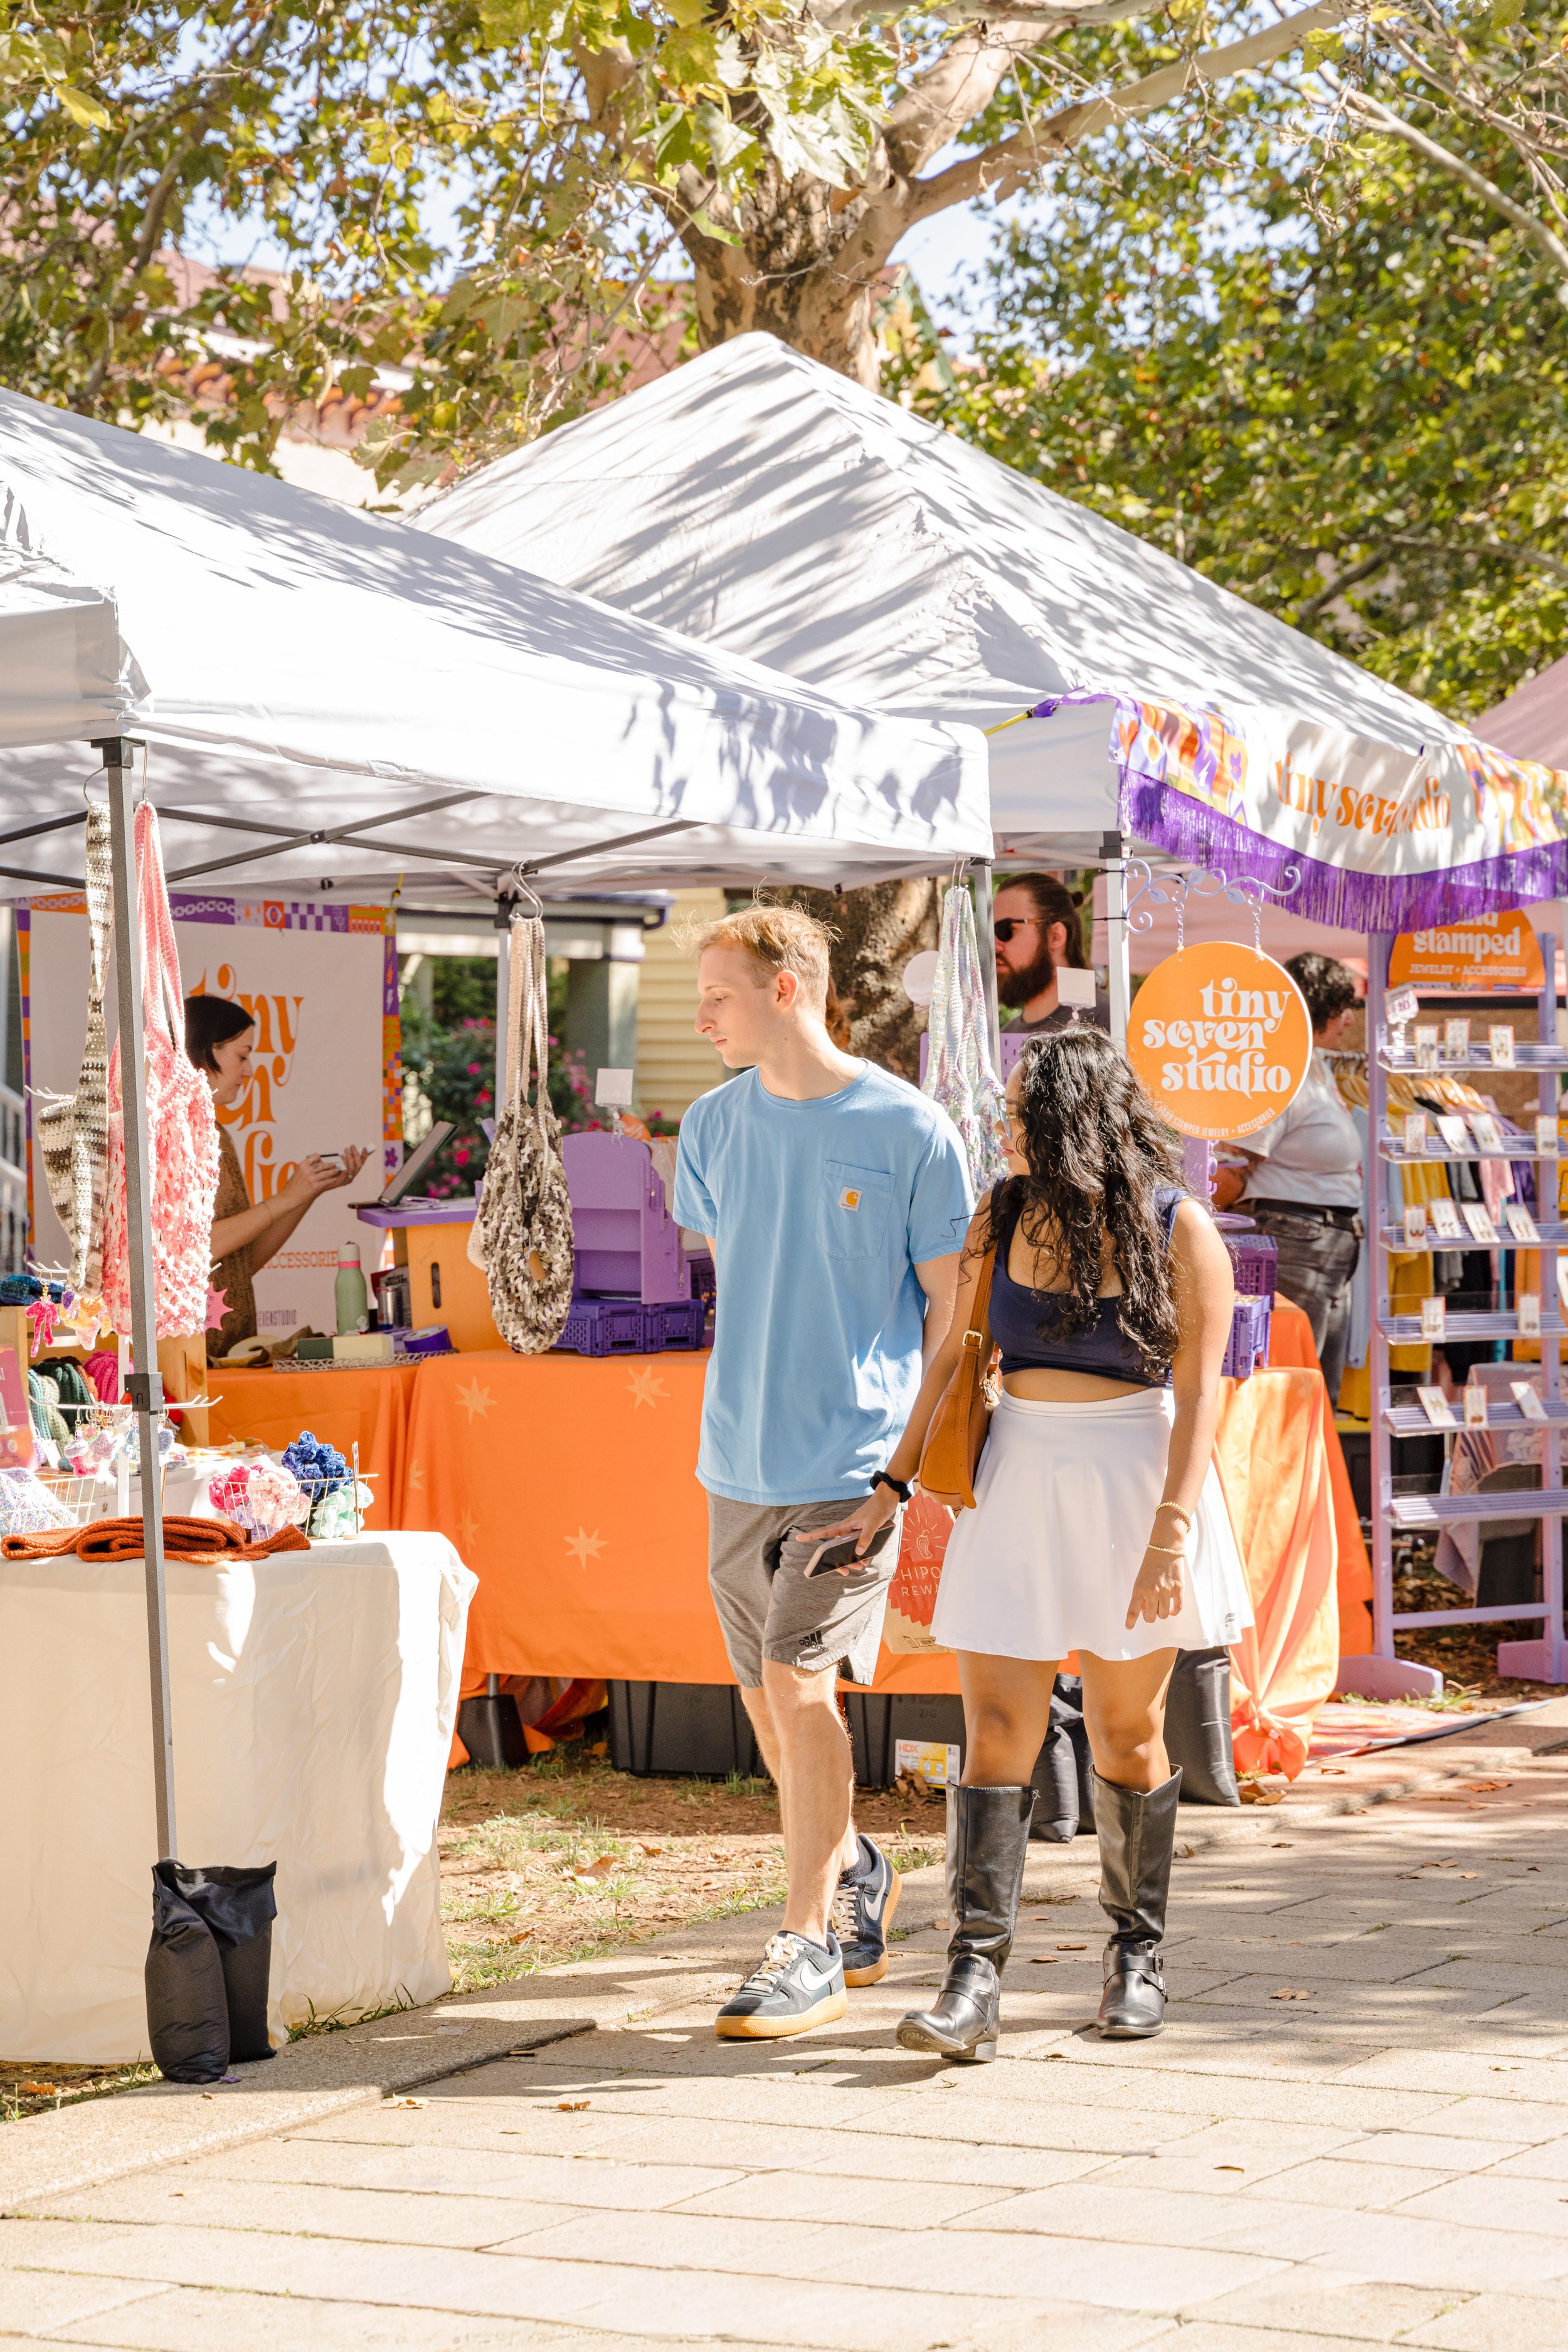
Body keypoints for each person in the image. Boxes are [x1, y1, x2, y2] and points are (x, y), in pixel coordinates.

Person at [840, 1027, 1249, 2060]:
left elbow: (1202, 1390)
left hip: (1135, 1484)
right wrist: (892, 1485)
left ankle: (1135, 1960)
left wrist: (1175, 1525)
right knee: (994, 1730)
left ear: (1076, 1120)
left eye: (1024, 1107)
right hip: (1017, 1477)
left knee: (1125, 1733)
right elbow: (950, 1360)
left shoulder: (1179, 1226)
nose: (1005, 1121)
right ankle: (973, 1981)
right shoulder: (1003, 1211)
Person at [673, 906, 973, 2042]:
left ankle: (806, 1942)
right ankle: (854, 1870)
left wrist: (901, 1476)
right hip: (735, 1462)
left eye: (721, 994)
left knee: (802, 1687)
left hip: (851, 1469)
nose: (703, 1015)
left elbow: (953, 1313)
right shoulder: (709, 1126)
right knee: (765, 1699)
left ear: (788, 988)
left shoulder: (910, 1128)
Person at [1211, 952, 1363, 1399]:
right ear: (1322, 1011)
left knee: (1314, 1385)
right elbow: (1236, 1164)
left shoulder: (1312, 1065)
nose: (1351, 1022)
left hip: (1322, 1243)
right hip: (1297, 1240)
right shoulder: (1282, 1073)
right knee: (1294, 1383)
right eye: (1343, 1008)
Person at [186, 996, 371, 1357]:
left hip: (231, 1352)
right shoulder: (166, 1136)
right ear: (204, 1052)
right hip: (190, 1361)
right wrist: (284, 1199)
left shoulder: (217, 1134)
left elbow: (241, 1262)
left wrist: (307, 1193)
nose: (249, 1070)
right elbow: (193, 1251)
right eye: (242, 1055)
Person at [992, 872, 1110, 1034]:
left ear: (1056, 936)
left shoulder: (1108, 1021)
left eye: (1005, 930)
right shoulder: (1005, 1036)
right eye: (989, 932)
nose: (995, 945)